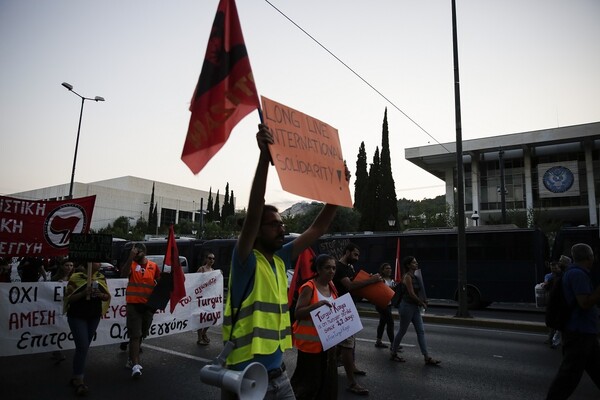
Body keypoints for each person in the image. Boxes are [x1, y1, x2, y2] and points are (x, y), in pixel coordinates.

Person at [221, 124, 348, 400]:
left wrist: (337, 193)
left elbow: (316, 230)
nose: (281, 229)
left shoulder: (279, 259)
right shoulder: (244, 259)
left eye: (282, 224)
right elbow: (255, 211)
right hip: (245, 378)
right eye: (274, 224)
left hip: (277, 375)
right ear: (256, 231)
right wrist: (265, 159)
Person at [546, 243, 600, 399]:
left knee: (596, 369)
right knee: (567, 378)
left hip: (585, 333)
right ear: (589, 257)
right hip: (579, 334)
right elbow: (584, 302)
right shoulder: (578, 274)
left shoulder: (574, 272)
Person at [332, 242, 382, 396]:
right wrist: (372, 280)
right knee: (347, 344)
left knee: (345, 344)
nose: (357, 257)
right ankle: (352, 382)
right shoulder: (339, 268)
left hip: (349, 308)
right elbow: (350, 286)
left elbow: (356, 288)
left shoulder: (350, 268)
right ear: (347, 252)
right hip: (342, 310)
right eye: (355, 254)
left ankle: (343, 367)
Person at [290, 254, 338, 400]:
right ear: (318, 269)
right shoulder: (308, 287)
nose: (332, 271)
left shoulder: (332, 286)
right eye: (327, 267)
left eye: (334, 268)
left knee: (326, 382)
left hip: (328, 344)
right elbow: (298, 313)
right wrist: (317, 306)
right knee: (308, 383)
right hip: (310, 345)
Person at [64, 262, 111, 396]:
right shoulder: (75, 278)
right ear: (88, 263)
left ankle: (75, 375)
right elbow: (68, 298)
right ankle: (79, 379)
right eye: (97, 261)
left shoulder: (101, 277)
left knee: (84, 347)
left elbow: (107, 296)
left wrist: (101, 295)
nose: (100, 264)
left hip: (93, 316)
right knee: (83, 346)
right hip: (77, 316)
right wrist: (84, 293)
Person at [390, 256, 441, 365]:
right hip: (406, 306)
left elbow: (418, 292)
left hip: (414, 307)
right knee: (402, 331)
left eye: (416, 262)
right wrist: (421, 302)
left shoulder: (416, 276)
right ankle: (393, 353)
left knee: (421, 331)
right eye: (413, 262)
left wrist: (423, 300)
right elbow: (411, 293)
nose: (416, 264)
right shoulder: (407, 276)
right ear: (408, 265)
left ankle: (426, 357)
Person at [120, 243, 161, 378]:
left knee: (142, 333)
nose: (135, 254)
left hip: (148, 307)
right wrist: (130, 258)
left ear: (143, 252)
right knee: (135, 335)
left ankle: (132, 358)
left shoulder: (153, 266)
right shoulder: (131, 264)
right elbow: (123, 273)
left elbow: (160, 283)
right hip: (134, 306)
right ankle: (136, 365)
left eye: (136, 252)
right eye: (133, 252)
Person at [51, 258, 75, 364]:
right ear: (62, 266)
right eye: (67, 265)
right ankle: (56, 351)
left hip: (70, 307)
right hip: (57, 308)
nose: (69, 267)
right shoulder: (54, 278)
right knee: (57, 329)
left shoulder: (75, 278)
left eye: (71, 265)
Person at [542, 261, 564, 348]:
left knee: (556, 321)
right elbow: (546, 287)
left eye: (555, 267)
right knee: (553, 321)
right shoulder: (551, 277)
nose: (554, 269)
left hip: (557, 302)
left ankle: (554, 340)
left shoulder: (560, 276)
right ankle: (552, 339)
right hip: (553, 302)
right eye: (552, 268)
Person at [374, 262, 396, 349]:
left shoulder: (392, 280)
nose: (389, 270)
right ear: (382, 270)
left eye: (390, 268)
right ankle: (393, 344)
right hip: (381, 304)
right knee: (390, 323)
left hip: (389, 304)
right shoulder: (381, 280)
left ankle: (378, 341)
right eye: (387, 268)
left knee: (382, 322)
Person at [196, 252, 215, 345]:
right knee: (201, 318)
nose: (212, 260)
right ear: (206, 259)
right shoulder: (202, 269)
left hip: (210, 298)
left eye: (213, 259)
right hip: (202, 297)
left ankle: (204, 333)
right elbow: (195, 281)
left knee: (212, 317)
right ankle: (199, 337)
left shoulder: (213, 270)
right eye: (210, 258)